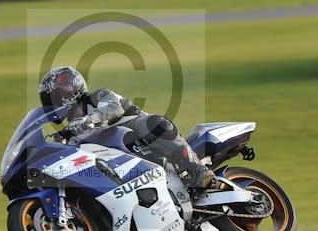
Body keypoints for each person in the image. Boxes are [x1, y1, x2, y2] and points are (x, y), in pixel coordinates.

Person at [38, 66, 217, 193]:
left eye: (56, 96)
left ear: (73, 89)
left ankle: (198, 170)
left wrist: (90, 119)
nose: (53, 102)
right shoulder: (70, 130)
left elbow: (114, 109)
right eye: (49, 99)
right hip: (117, 159)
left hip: (134, 131)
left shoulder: (97, 96)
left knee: (154, 123)